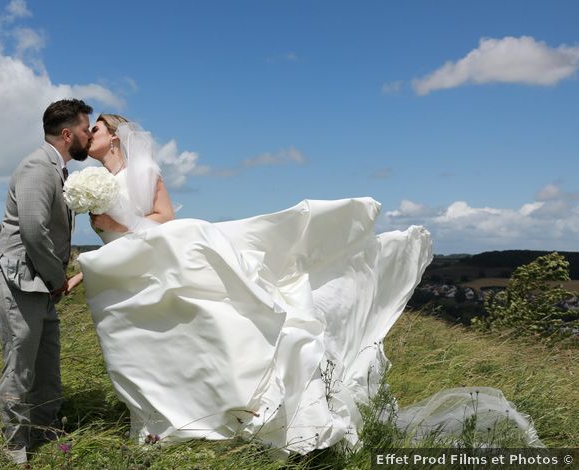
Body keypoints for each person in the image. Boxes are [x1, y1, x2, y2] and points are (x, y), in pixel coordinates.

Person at [70, 115, 541, 454]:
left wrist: (120, 220)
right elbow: (109, 233)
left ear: (116, 136)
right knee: (142, 342)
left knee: (188, 333)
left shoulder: (142, 172)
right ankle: (159, 422)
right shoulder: (95, 180)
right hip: (123, 268)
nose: (89, 134)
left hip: (151, 257)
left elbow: (164, 219)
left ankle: (203, 418)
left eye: (96, 128)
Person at [0, 99, 92, 464]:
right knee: (20, 366)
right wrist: (58, 277)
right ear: (66, 134)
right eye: (84, 129)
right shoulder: (37, 166)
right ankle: (15, 450)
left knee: (47, 364)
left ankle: (46, 431)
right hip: (18, 281)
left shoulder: (56, 169)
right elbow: (32, 229)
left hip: (37, 283)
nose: (88, 136)